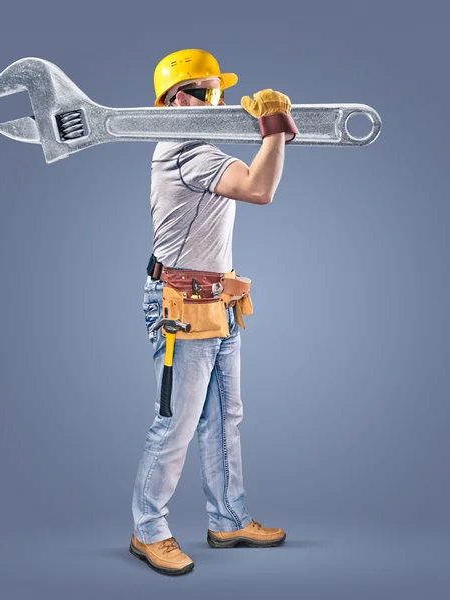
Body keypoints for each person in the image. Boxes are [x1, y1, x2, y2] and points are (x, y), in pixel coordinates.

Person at [129, 48, 298, 576]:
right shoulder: (186, 151)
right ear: (174, 100)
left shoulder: (200, 148)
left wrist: (272, 132)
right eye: (204, 93)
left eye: (218, 91)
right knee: (175, 423)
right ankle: (148, 530)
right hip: (182, 309)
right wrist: (274, 128)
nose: (216, 102)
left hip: (219, 302)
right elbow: (259, 188)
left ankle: (228, 520)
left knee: (224, 418)